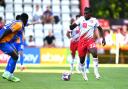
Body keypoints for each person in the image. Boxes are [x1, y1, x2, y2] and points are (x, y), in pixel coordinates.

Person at [69, 7, 106, 80]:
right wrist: (72, 26)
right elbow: (72, 26)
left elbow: (100, 29)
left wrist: (103, 39)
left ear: (90, 14)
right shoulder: (80, 19)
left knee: (94, 52)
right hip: (81, 42)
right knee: (82, 60)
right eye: (84, 13)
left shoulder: (94, 20)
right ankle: (84, 73)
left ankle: (96, 72)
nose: (85, 14)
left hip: (90, 41)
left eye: (86, 13)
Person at [0, 13, 29, 82]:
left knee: (15, 54)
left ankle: (7, 73)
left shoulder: (16, 22)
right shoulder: (19, 24)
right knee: (15, 55)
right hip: (2, 41)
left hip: (5, 41)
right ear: (25, 20)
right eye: (27, 20)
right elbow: (7, 31)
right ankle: (9, 74)